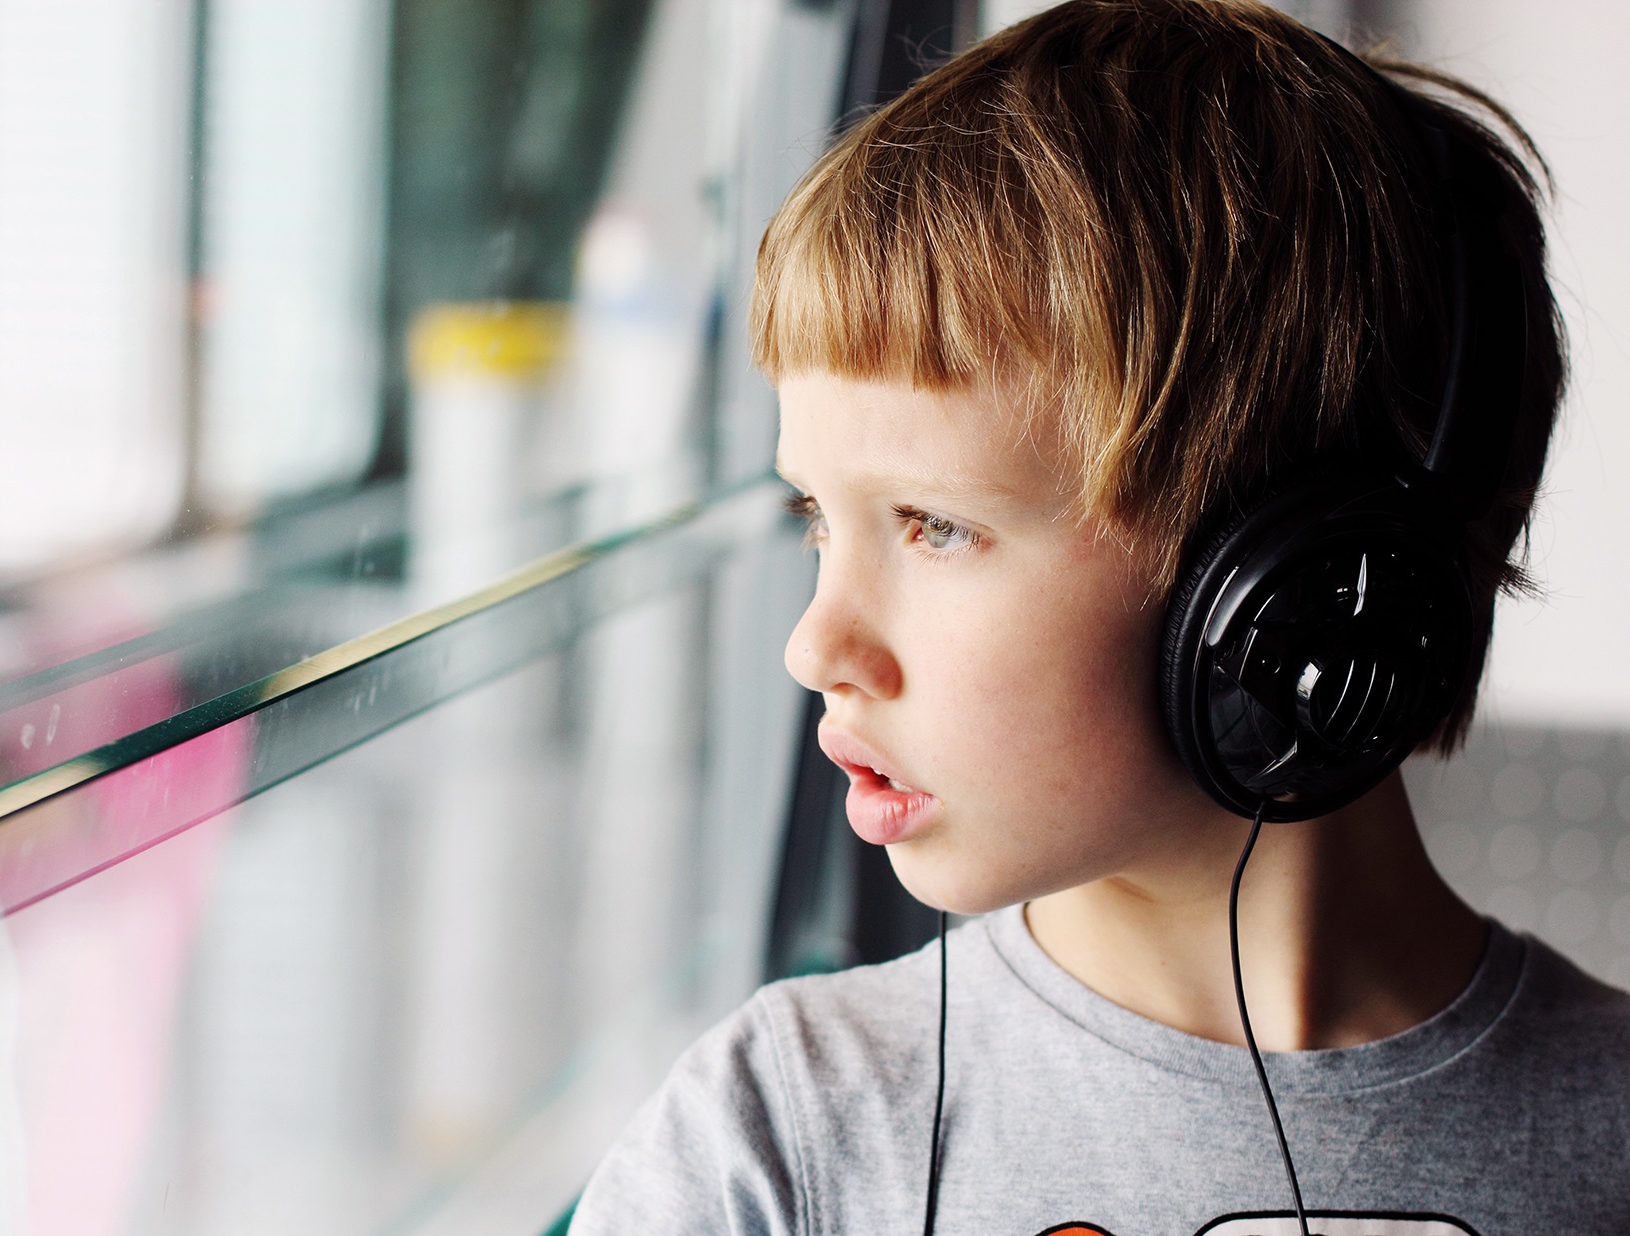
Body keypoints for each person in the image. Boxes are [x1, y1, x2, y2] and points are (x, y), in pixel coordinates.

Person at [569, 1, 1630, 1232]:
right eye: (814, 514)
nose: (816, 645)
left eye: (934, 524)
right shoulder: (776, 1135)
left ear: (1283, 586)